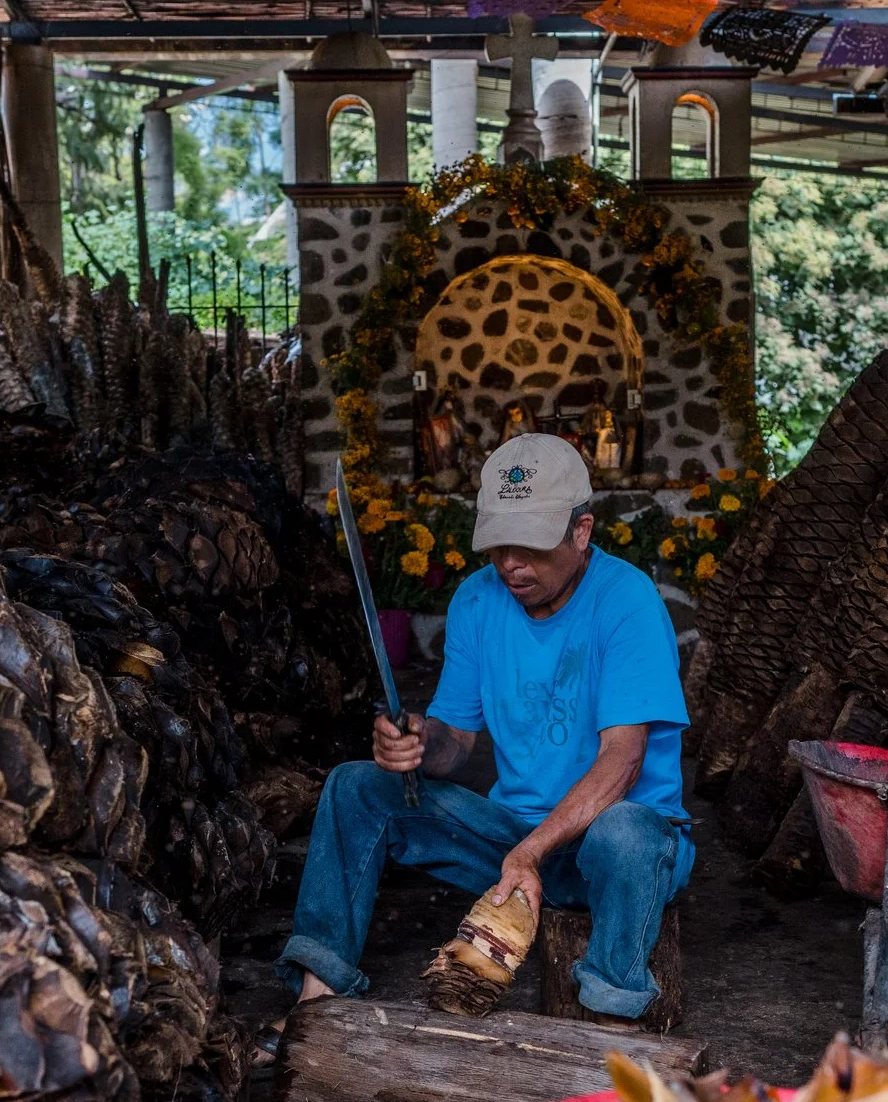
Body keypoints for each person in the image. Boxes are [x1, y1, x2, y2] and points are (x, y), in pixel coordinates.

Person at [282, 433, 692, 1024]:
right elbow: (456, 746)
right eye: (498, 544)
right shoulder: (477, 600)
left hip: (619, 851)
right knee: (355, 787)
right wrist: (418, 743)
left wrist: (530, 852)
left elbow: (623, 761)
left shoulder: (627, 600)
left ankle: (612, 1017)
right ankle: (316, 996)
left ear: (582, 532)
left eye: (529, 544)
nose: (509, 564)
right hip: (513, 846)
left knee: (625, 832)